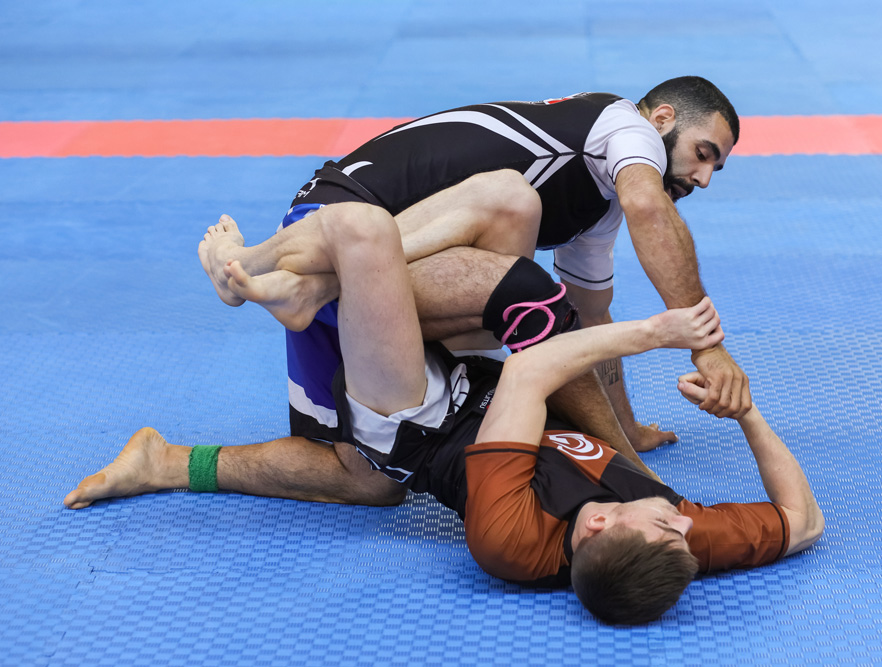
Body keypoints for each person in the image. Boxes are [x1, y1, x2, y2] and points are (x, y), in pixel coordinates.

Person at [68, 211, 824, 625]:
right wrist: (748, 415)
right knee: (510, 203)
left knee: (361, 229)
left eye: (664, 522)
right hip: (482, 382)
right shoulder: (674, 547)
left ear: (597, 525)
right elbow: (803, 522)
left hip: (413, 413)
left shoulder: (511, 541)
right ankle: (307, 303)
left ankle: (280, 277)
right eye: (681, 528)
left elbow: (531, 371)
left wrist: (654, 332)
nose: (681, 516)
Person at [197, 75, 751, 465]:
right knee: (513, 207)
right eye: (703, 153)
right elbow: (647, 206)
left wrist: (624, 427)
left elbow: (591, 320)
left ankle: (312, 290)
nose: (703, 178)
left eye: (717, 169)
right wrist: (705, 345)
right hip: (329, 225)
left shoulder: (598, 204)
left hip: (378, 280)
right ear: (661, 119)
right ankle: (287, 269)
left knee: (363, 475)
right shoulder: (624, 128)